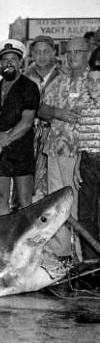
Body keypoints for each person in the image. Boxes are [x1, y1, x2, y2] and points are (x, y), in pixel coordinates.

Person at [0, 40, 40, 215]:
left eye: (13, 59)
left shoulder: (29, 87)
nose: (9, 63)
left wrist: (0, 143)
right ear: (0, 62)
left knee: (24, 201)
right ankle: (5, 240)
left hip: (21, 151)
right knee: (0, 198)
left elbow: (27, 122)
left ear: (20, 62)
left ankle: (28, 241)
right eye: (5, 59)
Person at [39, 37, 91, 221]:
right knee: (56, 202)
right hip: (54, 150)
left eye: (77, 51)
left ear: (88, 54)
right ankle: (60, 249)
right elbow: (42, 109)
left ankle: (80, 250)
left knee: (79, 204)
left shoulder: (95, 81)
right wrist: (58, 112)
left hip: (81, 153)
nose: (72, 56)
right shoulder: (59, 81)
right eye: (68, 52)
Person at [25, 35, 62, 201]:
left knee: (55, 185)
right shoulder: (25, 77)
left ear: (54, 52)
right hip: (29, 135)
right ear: (32, 53)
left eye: (46, 51)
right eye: (37, 52)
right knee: (27, 185)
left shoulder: (63, 76)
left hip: (56, 136)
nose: (42, 56)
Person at [73, 66, 100, 260]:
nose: (94, 85)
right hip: (87, 162)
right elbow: (80, 139)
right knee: (85, 213)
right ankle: (91, 262)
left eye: (98, 81)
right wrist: (77, 165)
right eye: (90, 81)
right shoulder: (84, 105)